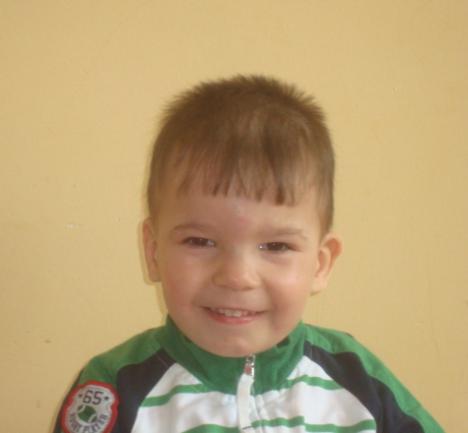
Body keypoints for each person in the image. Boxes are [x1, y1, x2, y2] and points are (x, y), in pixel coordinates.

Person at [54, 75, 444, 433]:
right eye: (200, 241)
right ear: (153, 251)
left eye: (276, 246)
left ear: (321, 264)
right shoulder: (115, 388)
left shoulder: (359, 379)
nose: (236, 276)